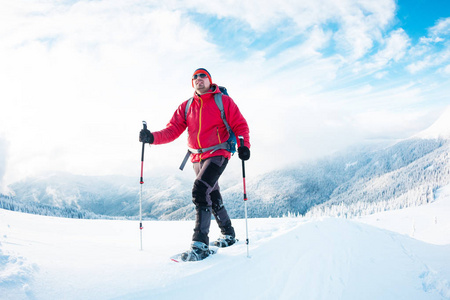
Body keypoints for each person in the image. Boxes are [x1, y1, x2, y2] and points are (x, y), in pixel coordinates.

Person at [139, 68, 250, 261]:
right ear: (193, 83)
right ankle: (229, 234)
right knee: (212, 194)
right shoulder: (187, 106)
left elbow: (240, 125)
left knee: (200, 190)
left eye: (202, 76)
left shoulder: (223, 101)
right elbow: (172, 130)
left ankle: (200, 245)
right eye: (195, 77)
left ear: (209, 80)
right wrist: (152, 138)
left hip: (219, 153)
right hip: (197, 158)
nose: (199, 79)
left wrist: (244, 146)